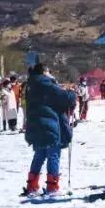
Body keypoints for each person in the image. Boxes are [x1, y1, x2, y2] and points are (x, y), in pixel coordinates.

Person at [22, 62, 76, 198]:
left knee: (40, 154)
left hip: (35, 124)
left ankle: (32, 185)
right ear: (43, 72)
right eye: (48, 71)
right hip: (48, 124)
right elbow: (64, 97)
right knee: (53, 154)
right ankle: (52, 187)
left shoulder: (31, 84)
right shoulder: (44, 83)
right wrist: (71, 94)